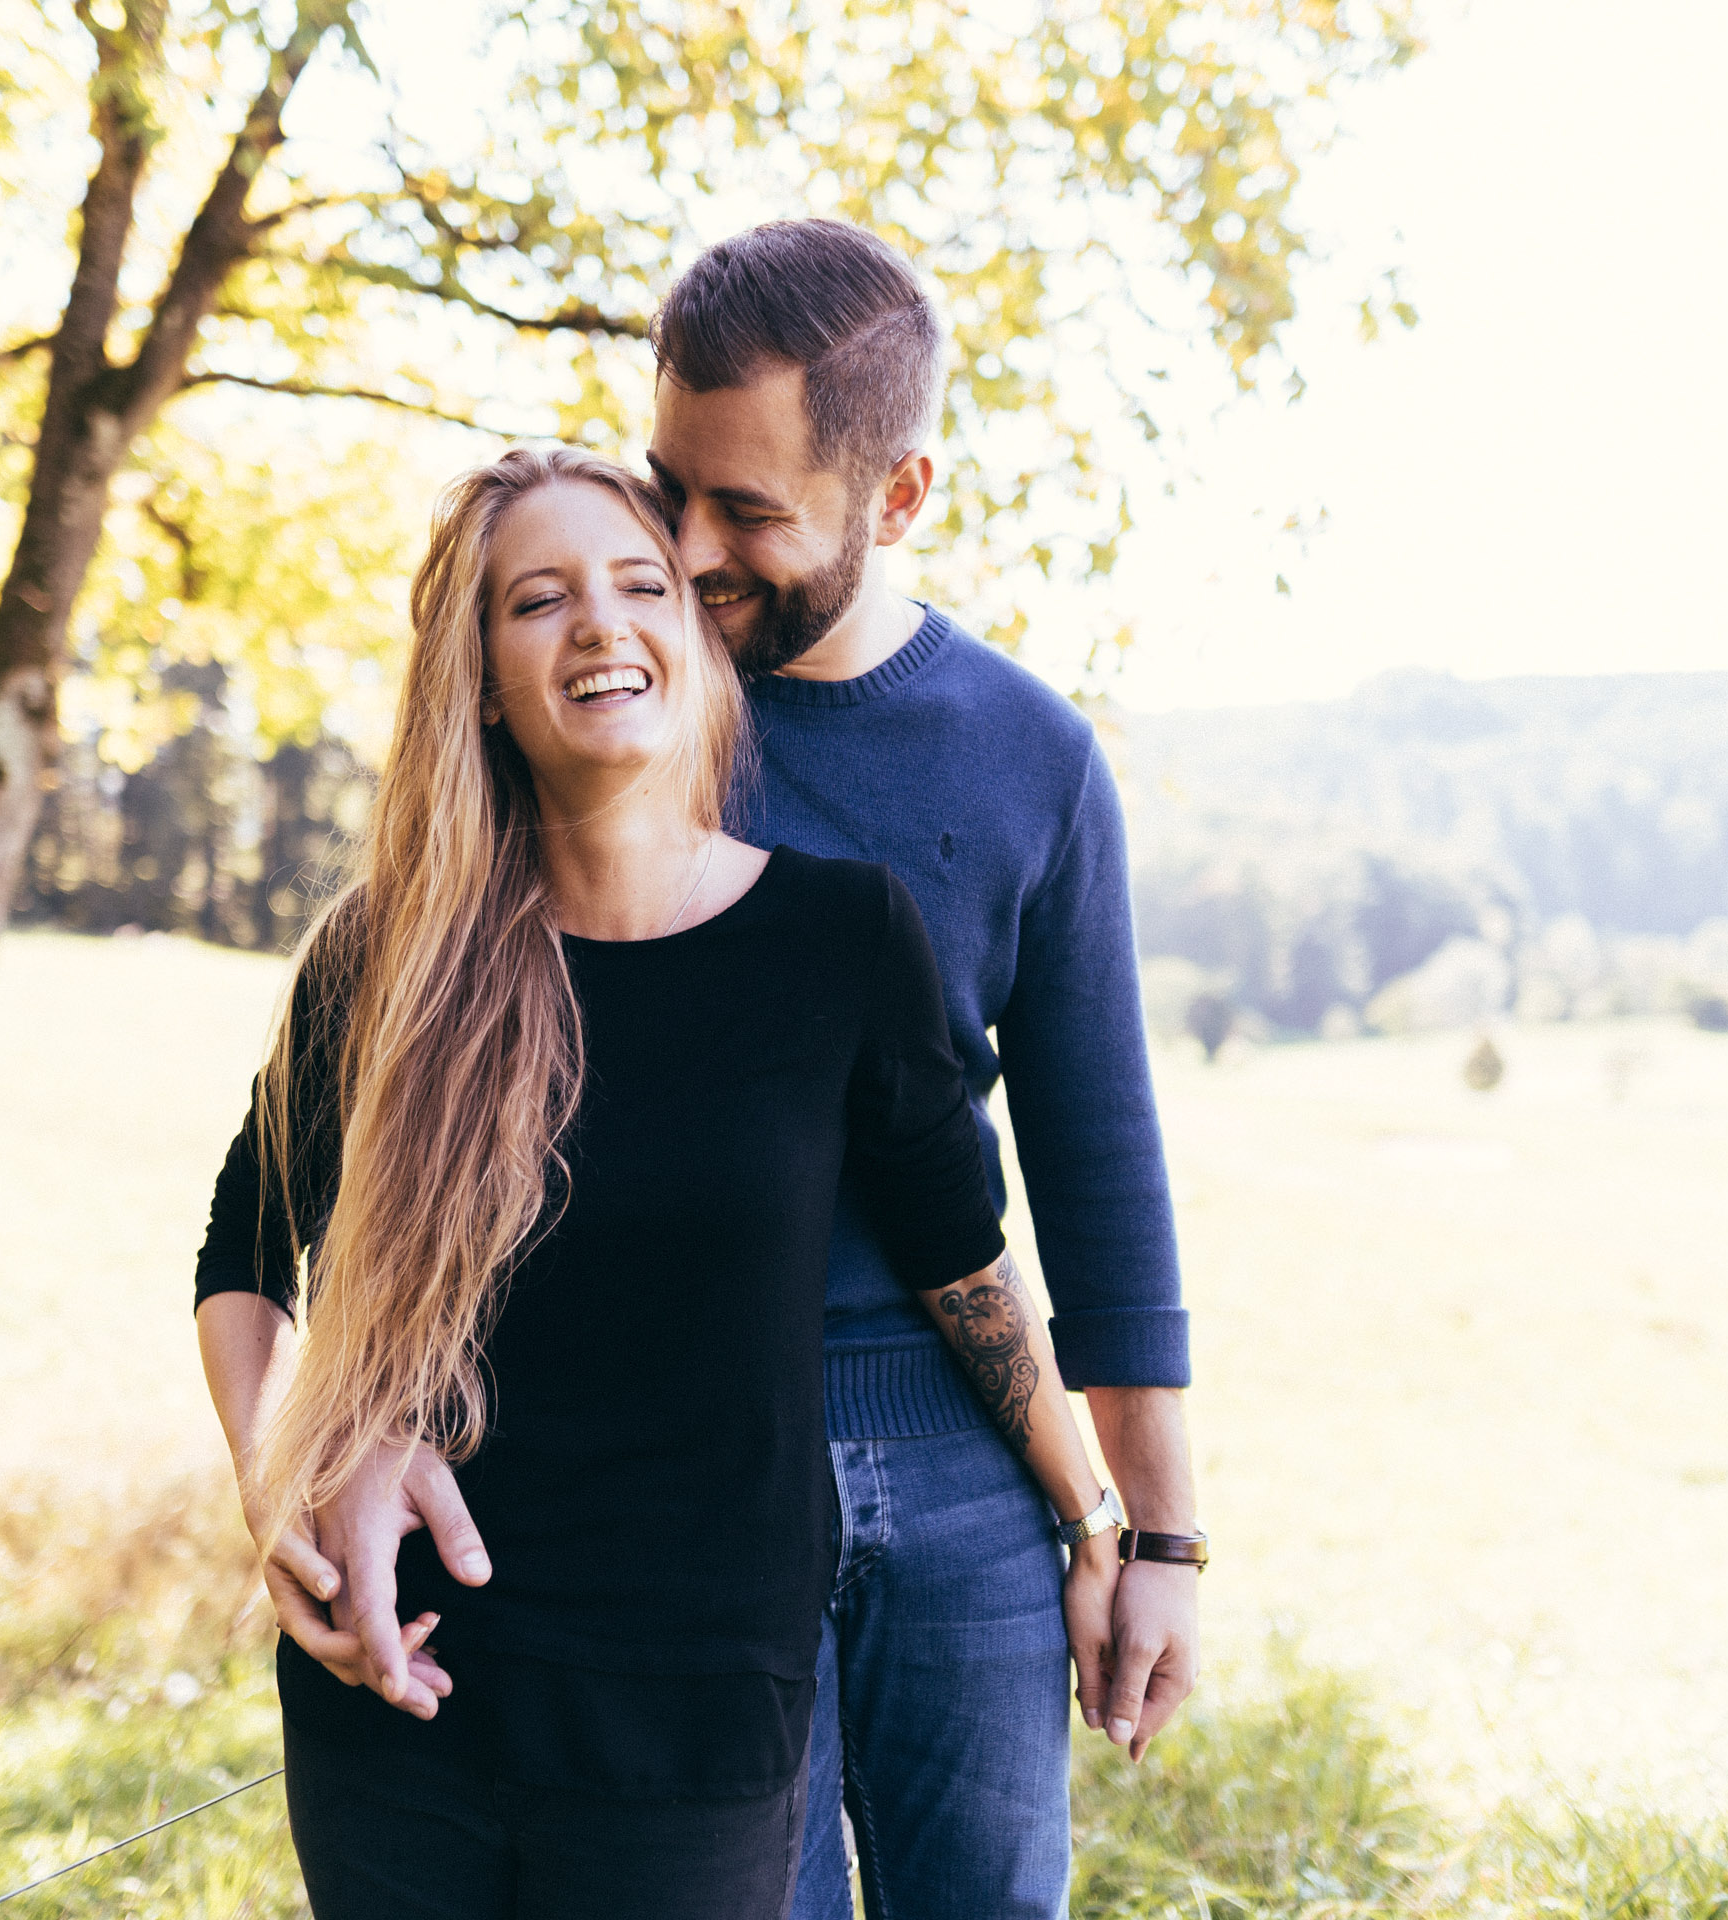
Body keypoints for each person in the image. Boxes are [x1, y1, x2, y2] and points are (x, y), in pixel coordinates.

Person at [288, 221, 1205, 1920]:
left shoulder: (1029, 764)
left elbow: (1099, 1185)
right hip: (676, 1483)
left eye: (751, 516)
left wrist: (1152, 1538)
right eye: (670, 491)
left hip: (958, 1465)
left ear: (900, 495)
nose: (689, 558)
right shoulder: (614, 689)